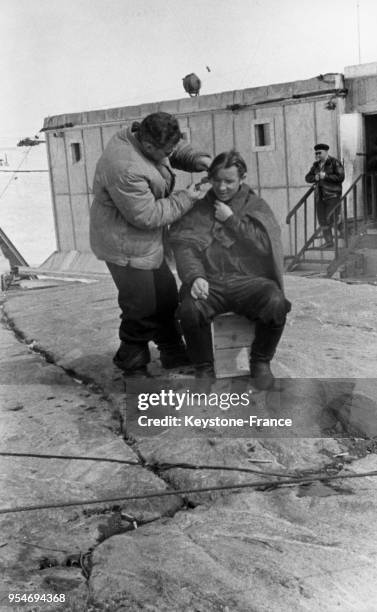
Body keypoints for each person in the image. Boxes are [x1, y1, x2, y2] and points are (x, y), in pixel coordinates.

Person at [89, 112, 211, 376]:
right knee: (141, 306)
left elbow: (173, 150)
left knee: (166, 295)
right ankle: (132, 364)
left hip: (146, 242)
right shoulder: (124, 166)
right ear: (147, 146)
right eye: (165, 150)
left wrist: (199, 160)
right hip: (123, 244)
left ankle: (171, 350)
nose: (170, 153)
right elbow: (148, 215)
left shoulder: (147, 137)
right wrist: (187, 198)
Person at [169, 150, 291, 390]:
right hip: (211, 282)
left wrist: (232, 220)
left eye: (229, 181)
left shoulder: (255, 205)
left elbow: (266, 246)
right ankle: (204, 369)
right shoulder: (200, 207)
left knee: (276, 301)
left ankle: (261, 362)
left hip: (249, 282)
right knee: (190, 308)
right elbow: (185, 248)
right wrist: (195, 277)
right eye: (217, 181)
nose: (222, 187)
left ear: (242, 179)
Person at [305, 144, 345, 247]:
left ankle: (345, 233)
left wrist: (325, 176)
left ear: (326, 152)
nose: (317, 155)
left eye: (320, 153)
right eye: (316, 153)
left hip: (332, 195)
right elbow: (308, 178)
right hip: (320, 196)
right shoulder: (316, 165)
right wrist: (316, 177)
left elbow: (340, 177)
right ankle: (329, 242)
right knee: (322, 219)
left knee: (332, 217)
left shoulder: (334, 162)